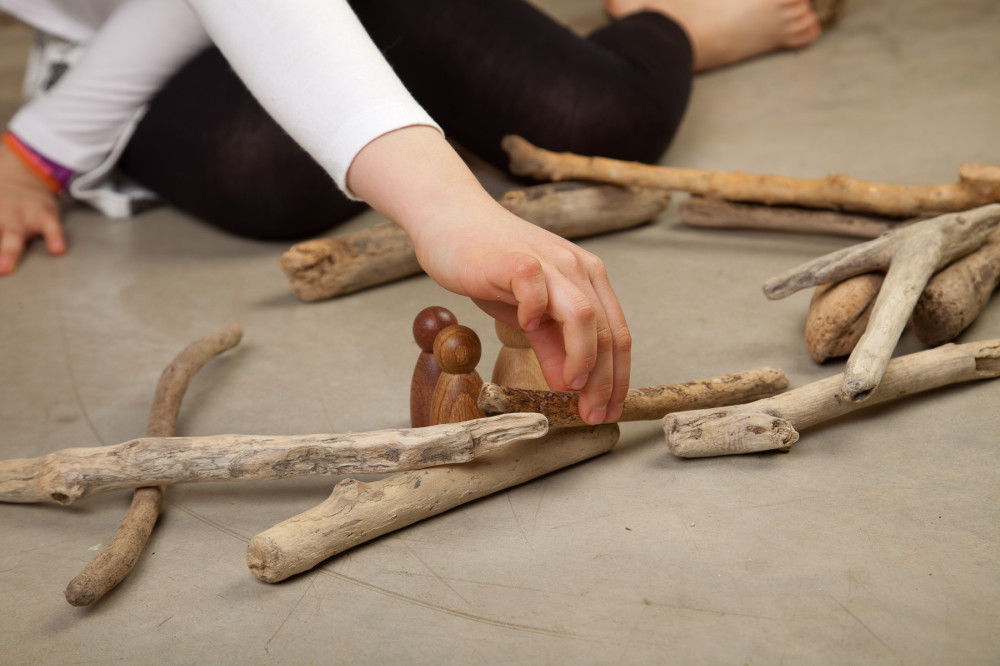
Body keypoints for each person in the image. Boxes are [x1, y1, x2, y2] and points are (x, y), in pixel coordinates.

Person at [0, 0, 825, 425]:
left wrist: (440, 195)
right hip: (116, 38)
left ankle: (673, 20)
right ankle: (396, 97)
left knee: (601, 117)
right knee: (262, 170)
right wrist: (39, 148)